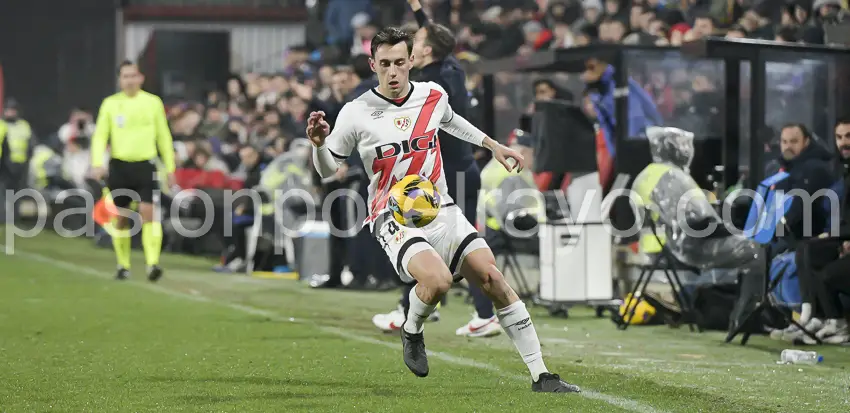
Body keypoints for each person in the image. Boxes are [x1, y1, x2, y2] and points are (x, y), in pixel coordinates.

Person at [306, 27, 580, 393]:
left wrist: (494, 145)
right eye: (384, 64)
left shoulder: (432, 95)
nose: (392, 71)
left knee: (493, 279)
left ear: (411, 61)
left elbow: (450, 120)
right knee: (437, 281)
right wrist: (319, 145)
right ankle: (412, 329)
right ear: (373, 64)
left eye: (399, 62)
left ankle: (542, 376)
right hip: (392, 216)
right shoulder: (356, 113)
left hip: (441, 207)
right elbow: (327, 170)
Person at [372, 0, 500, 338]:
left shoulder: (428, 83)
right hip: (464, 168)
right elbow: (436, 35)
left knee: (416, 234)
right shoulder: (451, 66)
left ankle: (409, 311)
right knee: (457, 247)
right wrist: (417, 8)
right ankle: (479, 313)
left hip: (449, 175)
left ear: (425, 51)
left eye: (418, 38)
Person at [90, 61, 176, 282]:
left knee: (149, 213)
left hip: (145, 165)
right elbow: (100, 135)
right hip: (119, 166)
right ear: (120, 79)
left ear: (141, 78)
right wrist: (97, 162)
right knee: (121, 218)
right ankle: (123, 265)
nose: (129, 80)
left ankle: (152, 264)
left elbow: (163, 136)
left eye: (133, 75)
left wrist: (170, 167)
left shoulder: (152, 103)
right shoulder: (110, 104)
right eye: (125, 76)